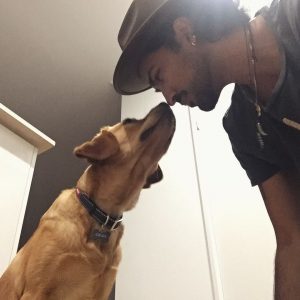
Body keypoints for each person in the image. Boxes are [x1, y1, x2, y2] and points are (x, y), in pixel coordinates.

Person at [113, 0, 300, 298]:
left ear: (185, 32)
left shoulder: (293, 16)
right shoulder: (242, 127)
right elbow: (292, 240)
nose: (169, 99)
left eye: (159, 77)